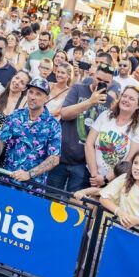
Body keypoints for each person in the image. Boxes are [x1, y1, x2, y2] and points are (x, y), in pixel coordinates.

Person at [48, 63, 119, 193]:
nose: (101, 83)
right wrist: (90, 102)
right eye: (99, 79)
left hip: (84, 163)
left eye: (106, 82)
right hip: (61, 156)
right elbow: (65, 114)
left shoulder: (111, 103)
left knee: (74, 200)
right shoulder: (78, 89)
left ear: (112, 83)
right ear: (93, 75)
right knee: (51, 196)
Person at [0, 75, 60, 184]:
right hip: (7, 179)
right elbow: (1, 139)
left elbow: (54, 159)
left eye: (38, 94)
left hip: (32, 186)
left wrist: (29, 174)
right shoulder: (16, 115)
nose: (32, 97)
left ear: (47, 98)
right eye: (31, 92)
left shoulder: (53, 124)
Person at [86, 86, 139, 186]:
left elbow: (130, 160)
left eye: (131, 98)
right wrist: (94, 175)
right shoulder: (105, 115)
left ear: (138, 106)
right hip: (91, 175)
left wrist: (105, 179)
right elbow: (89, 143)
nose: (126, 100)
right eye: (124, 96)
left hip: (116, 182)